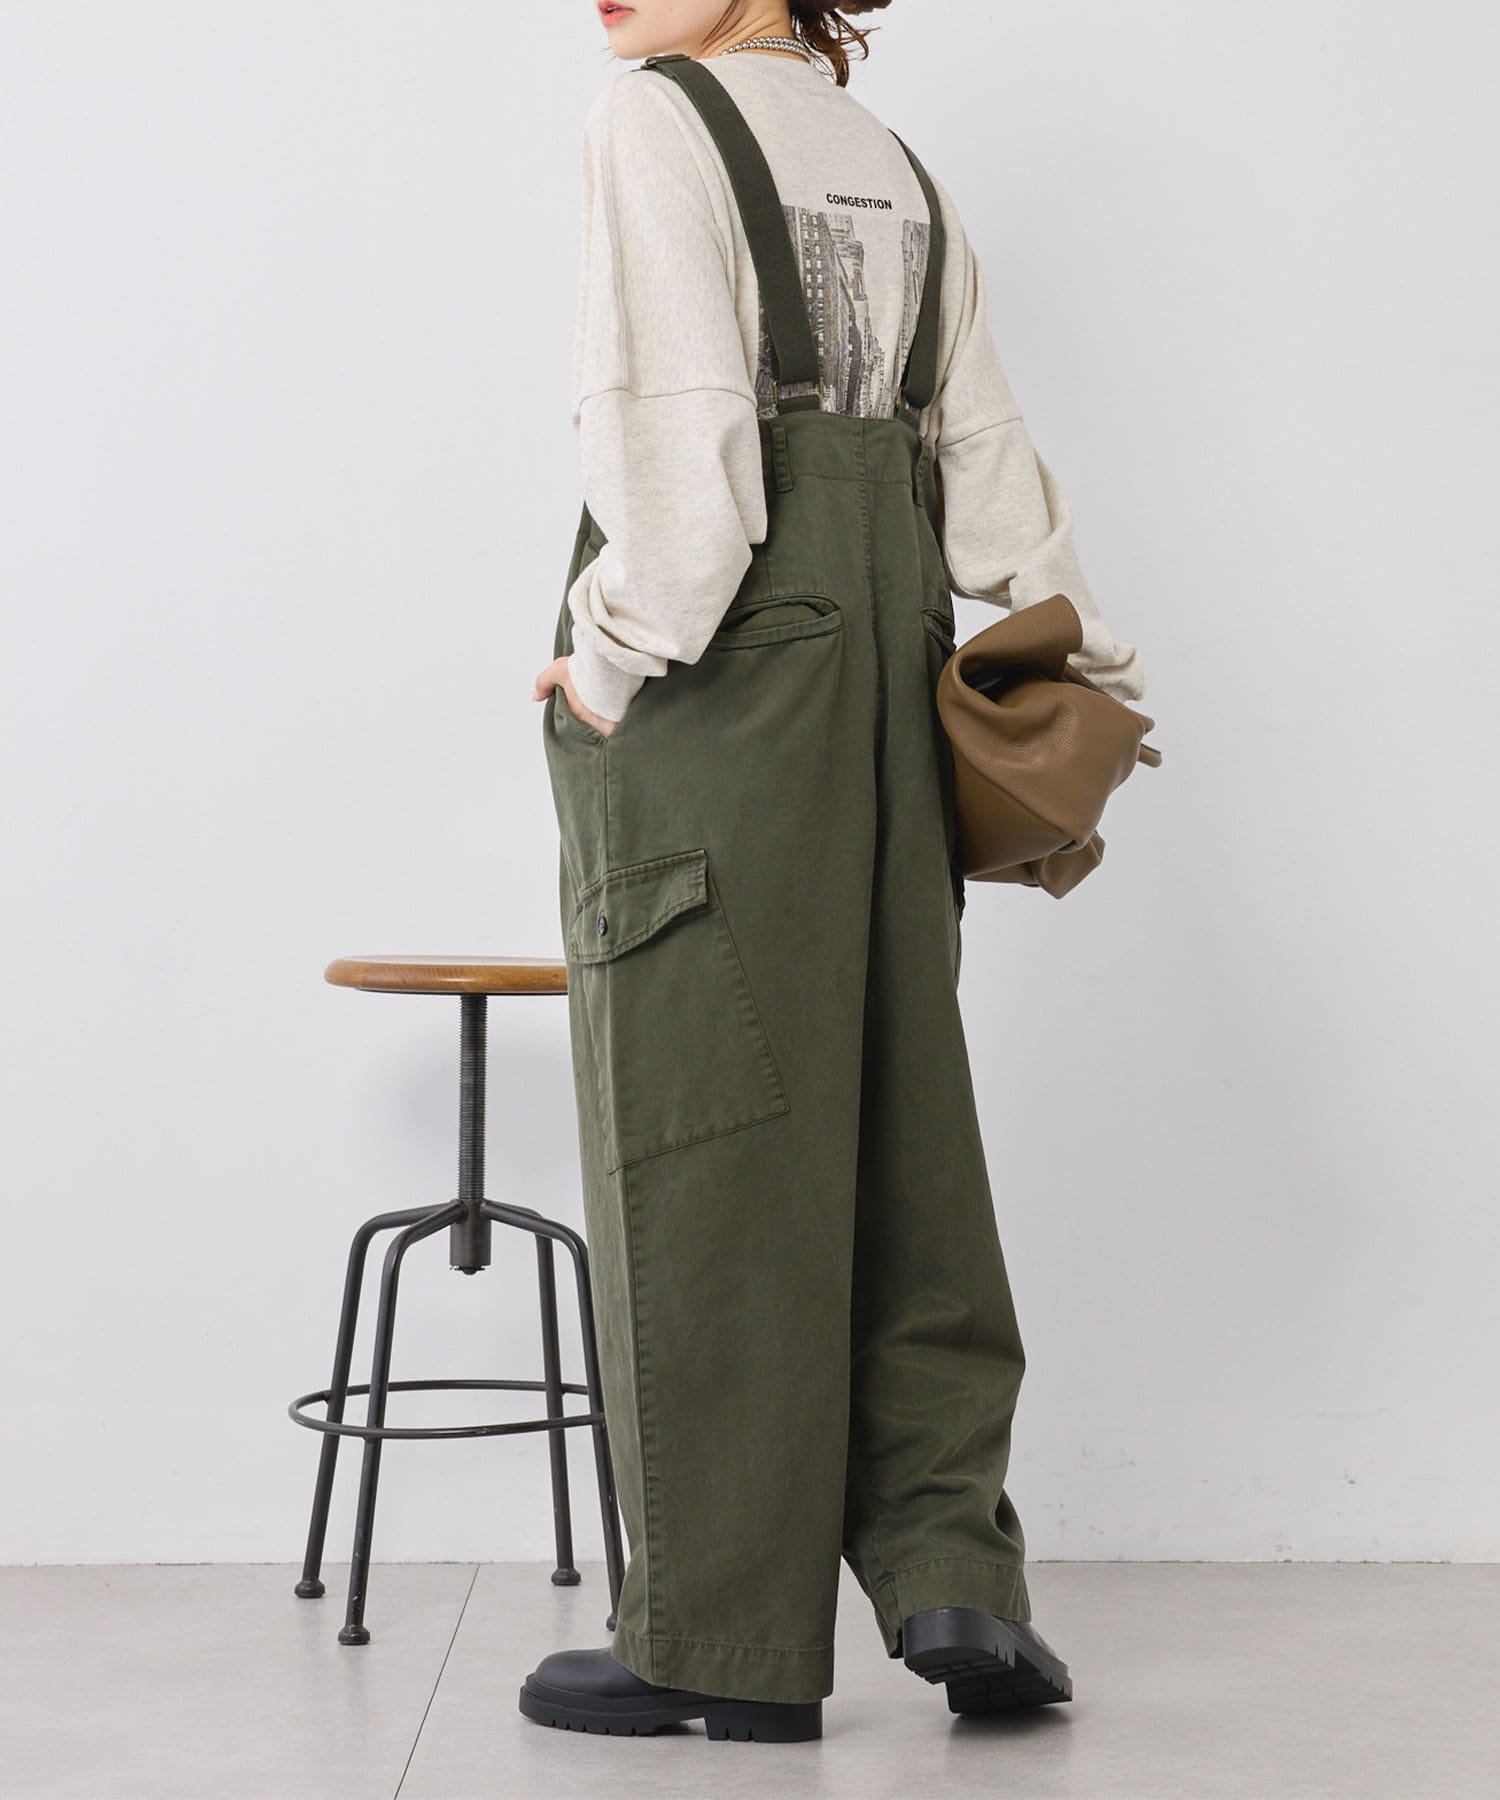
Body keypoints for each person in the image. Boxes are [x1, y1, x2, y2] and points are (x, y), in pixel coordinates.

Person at [524, 0, 1147, 1745]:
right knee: (902, 1116)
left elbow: (685, 460)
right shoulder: (892, 165)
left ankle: (718, 1642)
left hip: (728, 679)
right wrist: (1087, 671)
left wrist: (608, 658)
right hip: (894, 662)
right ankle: (956, 1571)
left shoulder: (657, 118)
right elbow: (987, 467)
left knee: (709, 1131)